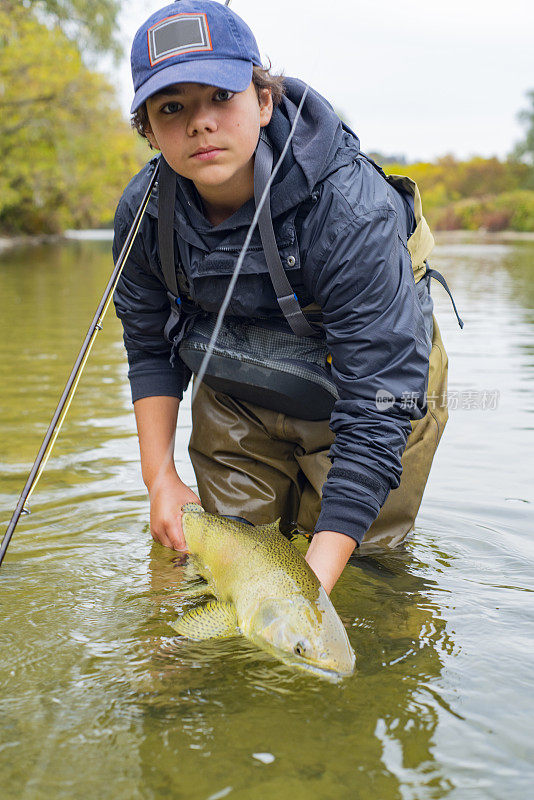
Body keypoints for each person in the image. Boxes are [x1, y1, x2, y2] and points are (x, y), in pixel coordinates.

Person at [113, 0, 449, 595]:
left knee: (360, 574)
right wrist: (159, 477)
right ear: (149, 129)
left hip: (371, 385)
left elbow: (382, 401)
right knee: (229, 570)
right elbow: (148, 344)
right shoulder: (143, 214)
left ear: (264, 101)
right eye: (172, 108)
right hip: (236, 381)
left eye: (221, 96)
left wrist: (306, 605)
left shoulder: (348, 209)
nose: (200, 123)